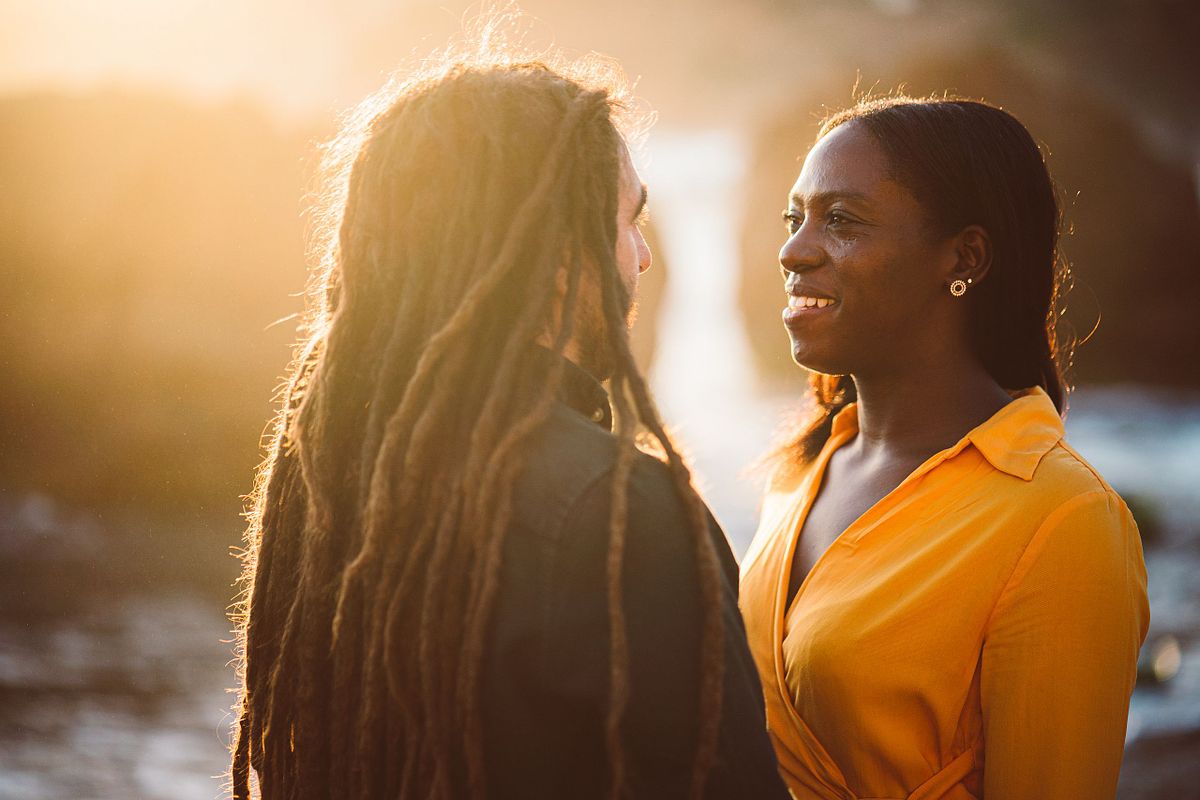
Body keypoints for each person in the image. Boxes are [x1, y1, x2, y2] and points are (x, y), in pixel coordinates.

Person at [229, 46, 788, 800]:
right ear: (561, 255)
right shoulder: (625, 516)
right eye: (629, 222)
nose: (645, 258)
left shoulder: (321, 483)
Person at [738, 95, 1150, 799]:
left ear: (965, 256)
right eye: (794, 218)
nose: (793, 250)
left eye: (841, 221)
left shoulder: (1064, 521)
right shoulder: (805, 467)